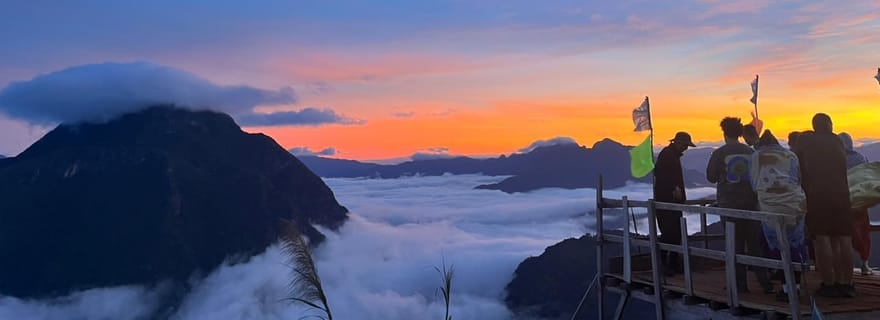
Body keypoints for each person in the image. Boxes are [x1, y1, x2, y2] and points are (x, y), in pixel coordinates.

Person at [706, 117, 772, 293]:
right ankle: (765, 283)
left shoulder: (719, 153)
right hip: (752, 203)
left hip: (729, 204)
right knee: (754, 245)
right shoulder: (751, 152)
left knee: (735, 246)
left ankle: (740, 285)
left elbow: (711, 177)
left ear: (724, 133)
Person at [794, 113, 856, 298]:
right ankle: (846, 283)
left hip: (817, 195)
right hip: (842, 194)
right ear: (828, 124)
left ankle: (829, 284)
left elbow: (799, 166)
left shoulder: (807, 142)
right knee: (844, 239)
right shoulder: (837, 141)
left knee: (823, 239)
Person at [750, 130, 808, 301]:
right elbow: (798, 178)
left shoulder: (756, 156)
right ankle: (797, 285)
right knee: (795, 243)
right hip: (796, 203)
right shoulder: (791, 155)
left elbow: (754, 183)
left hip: (770, 205)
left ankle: (786, 288)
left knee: (778, 245)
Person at [654, 131, 695, 276]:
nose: (686, 148)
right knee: (671, 234)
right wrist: (674, 188)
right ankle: (667, 265)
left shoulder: (670, 155)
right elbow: (662, 175)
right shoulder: (668, 155)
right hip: (667, 202)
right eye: (685, 145)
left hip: (670, 202)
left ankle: (670, 265)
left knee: (673, 234)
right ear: (677, 143)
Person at [840, 132, 872, 275]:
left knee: (842, 235)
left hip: (840, 201)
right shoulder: (860, 158)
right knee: (862, 233)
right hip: (859, 201)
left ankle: (845, 268)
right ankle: (865, 264)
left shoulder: (834, 159)